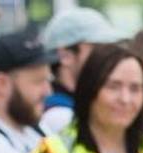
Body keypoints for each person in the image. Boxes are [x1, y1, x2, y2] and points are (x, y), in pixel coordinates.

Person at [38, 7, 121, 135]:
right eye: (99, 49)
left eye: (110, 48)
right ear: (65, 55)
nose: (108, 56)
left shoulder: (81, 105)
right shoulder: (58, 115)